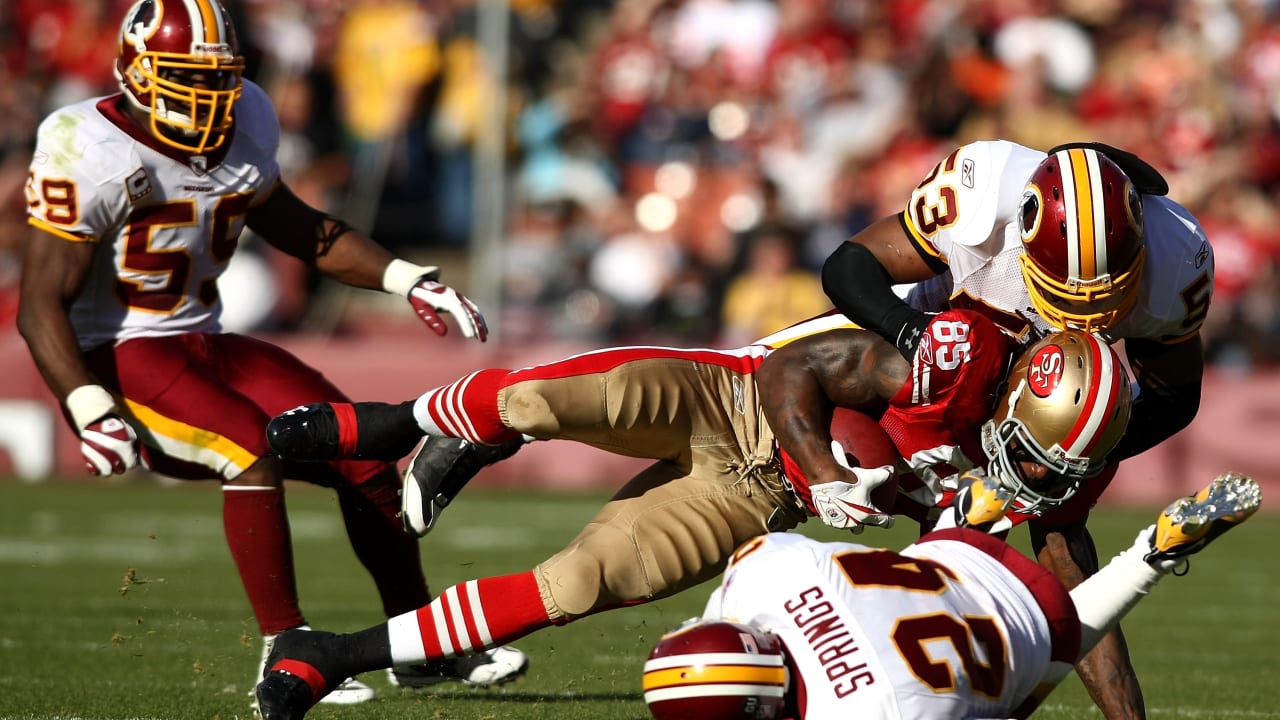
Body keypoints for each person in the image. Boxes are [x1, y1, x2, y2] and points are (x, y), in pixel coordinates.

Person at [251, 309, 1127, 718]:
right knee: (548, 403)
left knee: (579, 583)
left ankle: (331, 654)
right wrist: (829, 470)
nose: (1034, 471)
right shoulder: (959, 356)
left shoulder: (1019, 477)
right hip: (737, 400)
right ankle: (396, 423)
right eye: (1038, 444)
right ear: (1024, 391)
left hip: (759, 497)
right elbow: (798, 372)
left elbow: (986, 579)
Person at [16, 0, 524, 705]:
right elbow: (40, 301)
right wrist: (84, 402)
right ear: (136, 73)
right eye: (187, 78)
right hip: (123, 352)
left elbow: (299, 227)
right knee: (249, 448)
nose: (208, 96)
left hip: (206, 339)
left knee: (362, 449)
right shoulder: (87, 145)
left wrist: (407, 278)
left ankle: (417, 645)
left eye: (218, 78)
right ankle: (285, 649)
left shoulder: (247, 114)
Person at [819, 139, 1214, 718]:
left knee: (1062, 527)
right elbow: (850, 266)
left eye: (1104, 299)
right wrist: (912, 336)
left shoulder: (1175, 254)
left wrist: (1080, 455)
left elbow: (1175, 396)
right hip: (944, 368)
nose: (1081, 318)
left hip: (1046, 392)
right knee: (951, 530)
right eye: (1064, 296)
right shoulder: (985, 197)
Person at [643, 472, 1261, 720]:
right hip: (947, 564)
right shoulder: (761, 572)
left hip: (1026, 615)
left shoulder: (873, 713)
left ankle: (1152, 553)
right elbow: (722, 625)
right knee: (890, 576)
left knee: (1022, 690)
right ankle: (960, 521)